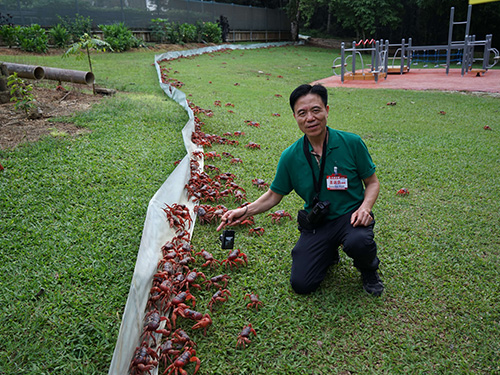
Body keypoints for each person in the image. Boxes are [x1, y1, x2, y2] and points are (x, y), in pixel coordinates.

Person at [217, 84, 384, 297]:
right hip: (318, 221)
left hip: (350, 217)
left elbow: (372, 183)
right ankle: (329, 250)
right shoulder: (291, 156)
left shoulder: (351, 143)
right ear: (295, 117)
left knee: (358, 242)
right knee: (302, 284)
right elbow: (273, 196)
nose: (310, 118)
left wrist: (365, 208)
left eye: (316, 110)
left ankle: (369, 270)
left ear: (327, 110)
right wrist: (244, 211)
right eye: (302, 113)